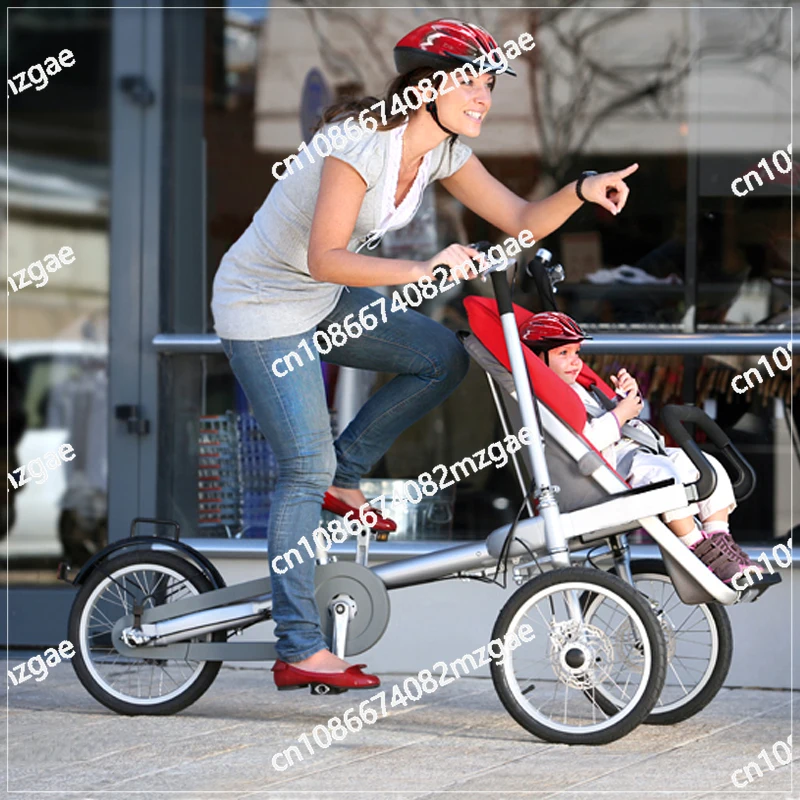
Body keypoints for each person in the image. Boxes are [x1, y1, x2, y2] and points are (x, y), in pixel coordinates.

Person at [211, 18, 639, 692]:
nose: (484, 96)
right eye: (470, 80)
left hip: (319, 301)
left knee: (442, 357)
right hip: (261, 307)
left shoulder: (439, 152)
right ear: (428, 84)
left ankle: (343, 473)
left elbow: (521, 218)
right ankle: (298, 645)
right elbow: (326, 256)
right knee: (302, 464)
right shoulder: (360, 145)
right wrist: (425, 271)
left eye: (489, 83)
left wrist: (582, 189)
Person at [520, 311, 766, 584]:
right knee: (664, 478)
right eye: (563, 353)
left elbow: (610, 422)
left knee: (706, 465)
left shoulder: (576, 387)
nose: (574, 362)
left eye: (576, 353)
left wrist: (622, 400)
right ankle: (699, 550)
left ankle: (720, 541)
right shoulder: (544, 400)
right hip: (605, 471)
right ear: (537, 358)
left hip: (633, 451)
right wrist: (621, 413)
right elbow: (583, 444)